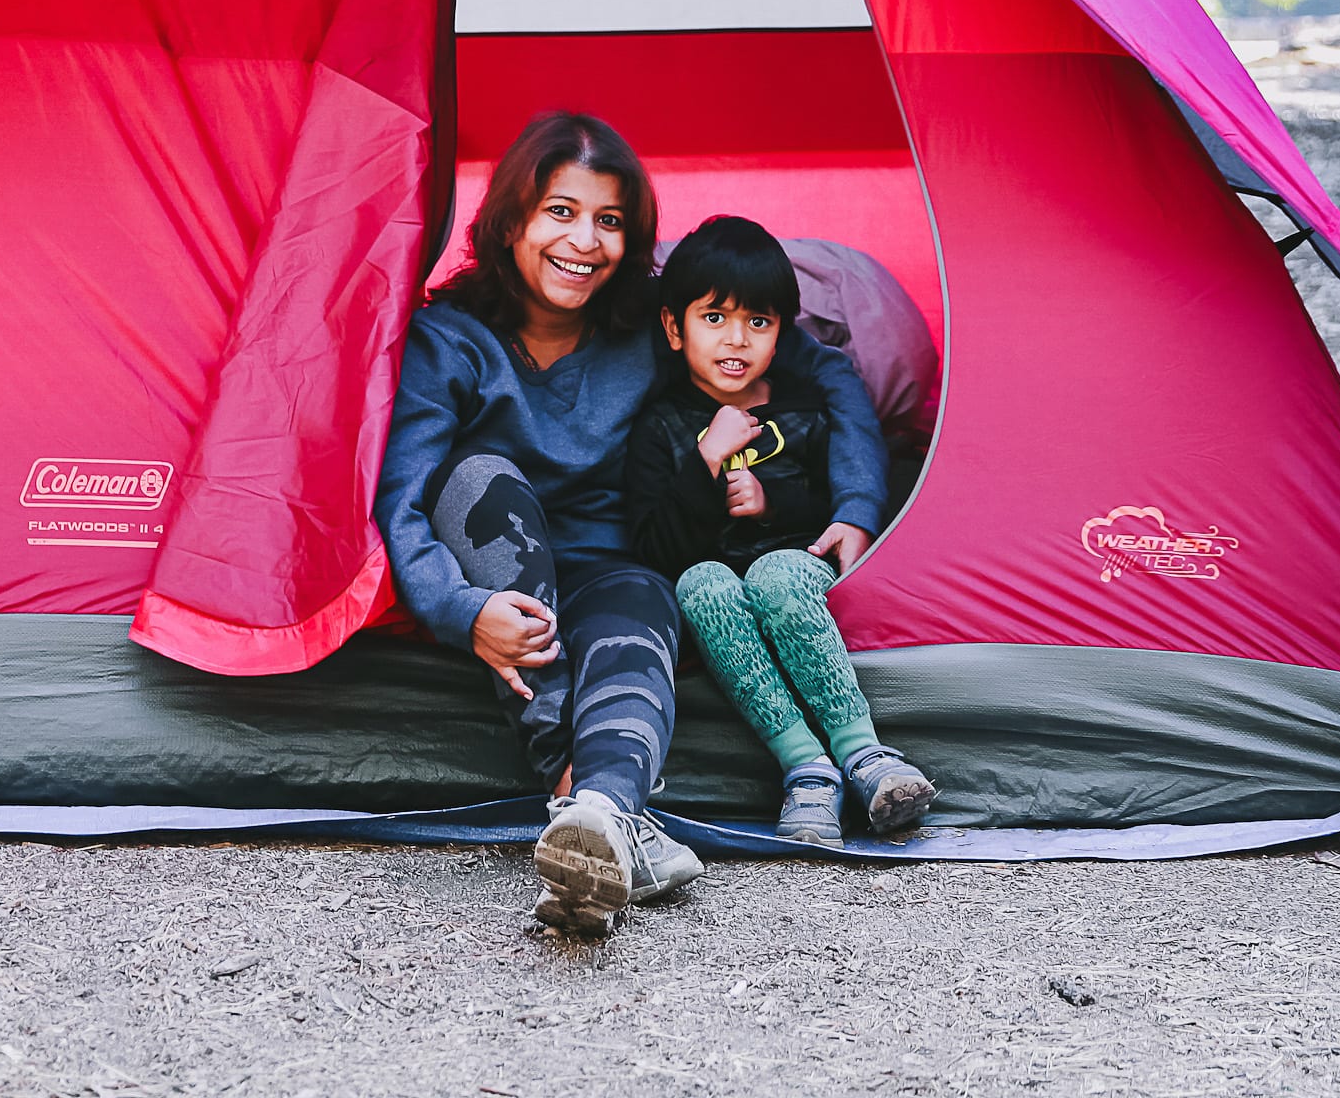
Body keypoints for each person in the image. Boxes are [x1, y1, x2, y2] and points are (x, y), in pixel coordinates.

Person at [376, 113, 891, 935]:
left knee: (647, 604)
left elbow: (821, 368)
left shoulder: (652, 322)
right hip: (498, 566)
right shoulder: (452, 340)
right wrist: (459, 609)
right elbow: (400, 495)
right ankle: (596, 810)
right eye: (560, 211)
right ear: (510, 220)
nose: (585, 240)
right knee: (480, 477)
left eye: (610, 221)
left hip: (611, 563)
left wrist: (858, 505)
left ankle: (600, 816)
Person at [625, 216, 937, 847]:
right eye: (713, 318)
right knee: (702, 583)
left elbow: (823, 500)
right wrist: (705, 461)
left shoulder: (801, 410)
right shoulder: (658, 427)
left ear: (781, 334)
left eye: (758, 322)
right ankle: (807, 770)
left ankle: (866, 755)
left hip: (794, 562)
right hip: (710, 574)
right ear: (672, 328)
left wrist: (772, 504)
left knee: (777, 571)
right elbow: (653, 543)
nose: (736, 339)